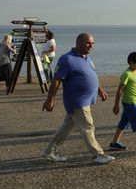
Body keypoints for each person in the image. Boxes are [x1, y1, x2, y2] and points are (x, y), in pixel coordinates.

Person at [41, 33, 114, 165]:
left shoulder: (87, 58)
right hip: (77, 101)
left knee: (67, 127)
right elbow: (56, 81)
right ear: (78, 42)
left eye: (92, 44)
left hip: (85, 100)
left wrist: (100, 90)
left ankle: (49, 151)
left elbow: (92, 75)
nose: (91, 46)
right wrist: (49, 100)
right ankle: (98, 154)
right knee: (88, 126)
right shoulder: (67, 59)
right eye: (88, 43)